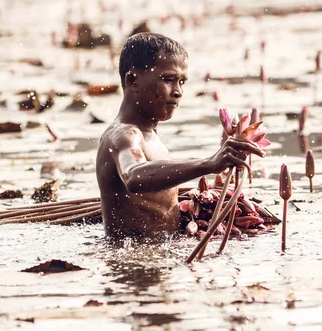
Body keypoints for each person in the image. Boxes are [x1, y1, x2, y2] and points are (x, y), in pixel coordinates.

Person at [96, 33, 265, 239]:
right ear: (132, 80)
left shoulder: (150, 134)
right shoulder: (124, 134)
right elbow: (134, 176)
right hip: (135, 263)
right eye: (168, 80)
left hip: (160, 253)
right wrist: (210, 163)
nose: (178, 92)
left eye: (182, 82)